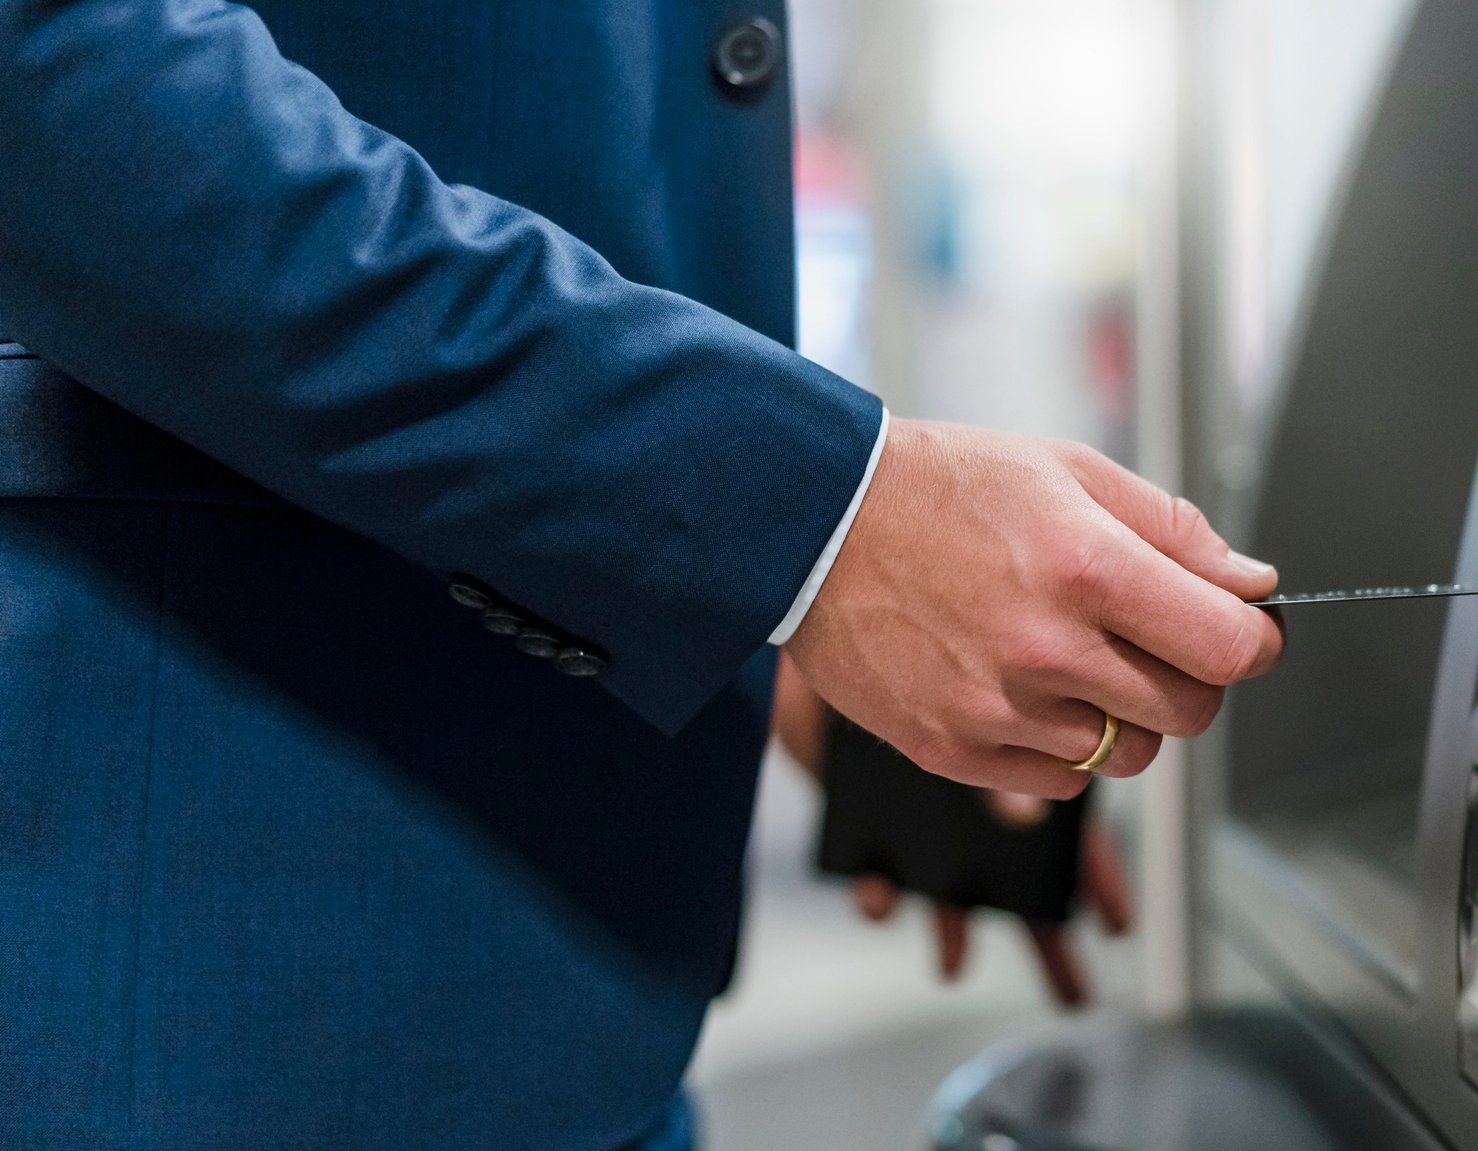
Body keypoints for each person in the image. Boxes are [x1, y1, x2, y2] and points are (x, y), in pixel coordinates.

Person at [0, 2, 1283, 1149]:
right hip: (203, 982)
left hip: (574, 988)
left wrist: (730, 619)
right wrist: (808, 528)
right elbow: (49, 74)